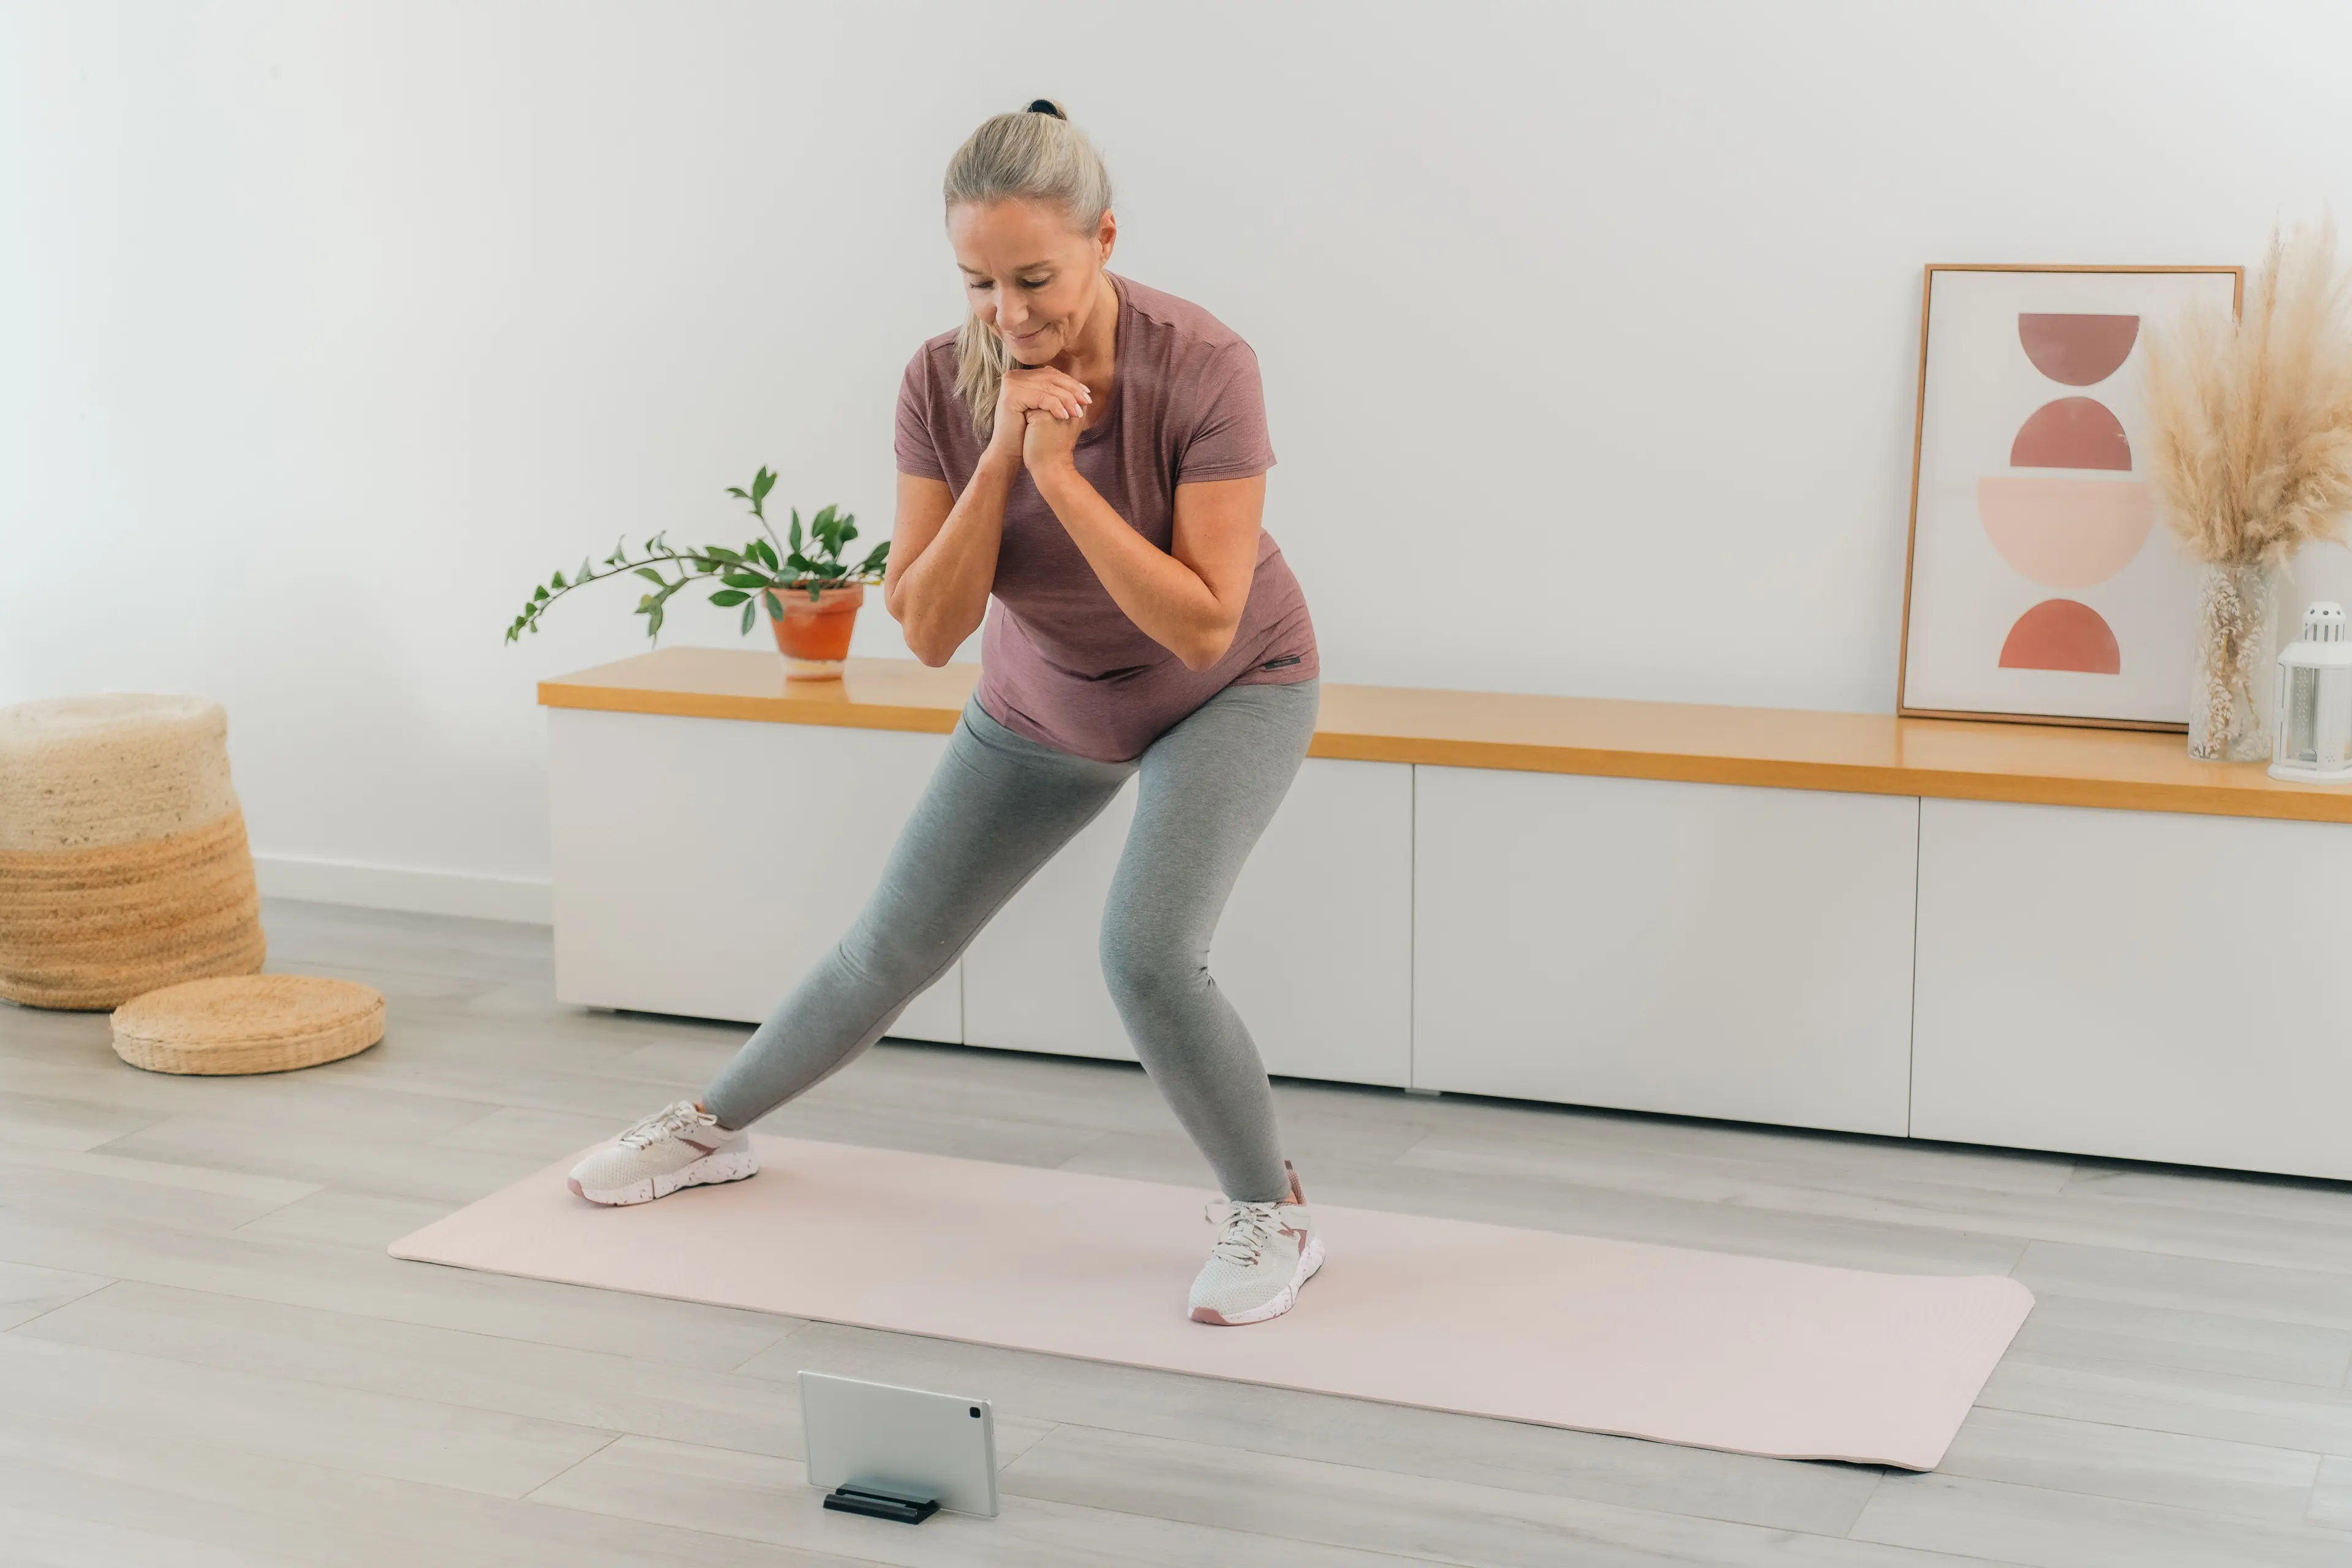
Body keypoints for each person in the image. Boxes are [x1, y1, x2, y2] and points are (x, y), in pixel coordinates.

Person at [567, 100, 1324, 1327]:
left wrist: (1058, 480)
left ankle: (1270, 1209)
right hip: (1044, 696)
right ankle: (712, 1129)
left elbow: (1199, 623)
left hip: (1228, 689)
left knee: (1145, 953)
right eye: (980, 283)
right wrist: (995, 457)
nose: (1011, 314)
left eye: (1037, 278)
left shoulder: (1206, 366)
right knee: (890, 944)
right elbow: (925, 630)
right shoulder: (938, 376)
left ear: (1106, 239)